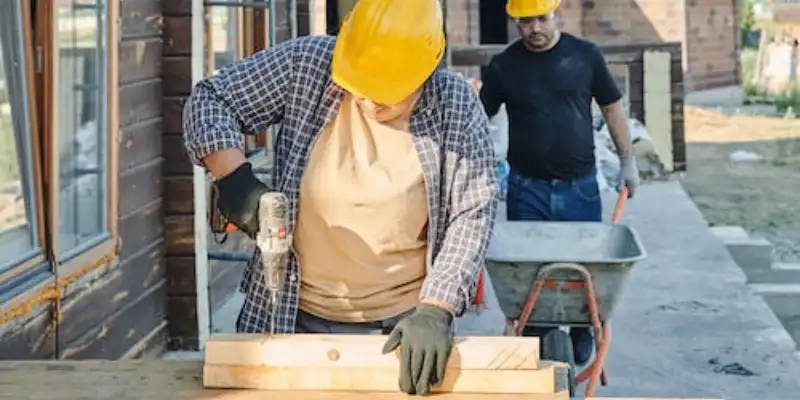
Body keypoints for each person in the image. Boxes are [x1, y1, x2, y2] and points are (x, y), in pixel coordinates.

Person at [182, 0, 499, 395]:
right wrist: (235, 180)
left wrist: (437, 308)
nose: (367, 102)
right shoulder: (309, 64)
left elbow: (472, 211)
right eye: (359, 89)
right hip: (286, 311)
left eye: (384, 95)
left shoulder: (454, 103)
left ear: (426, 70)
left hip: (400, 327)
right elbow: (211, 99)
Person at [479, 0, 639, 367]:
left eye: (540, 18)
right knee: (529, 272)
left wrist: (628, 160)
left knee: (583, 269)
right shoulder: (505, 66)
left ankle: (583, 328)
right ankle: (535, 337)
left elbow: (612, 106)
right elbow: (478, 117)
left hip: (578, 187)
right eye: (524, 21)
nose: (533, 28)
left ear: (556, 14)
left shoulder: (585, 56)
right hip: (526, 188)